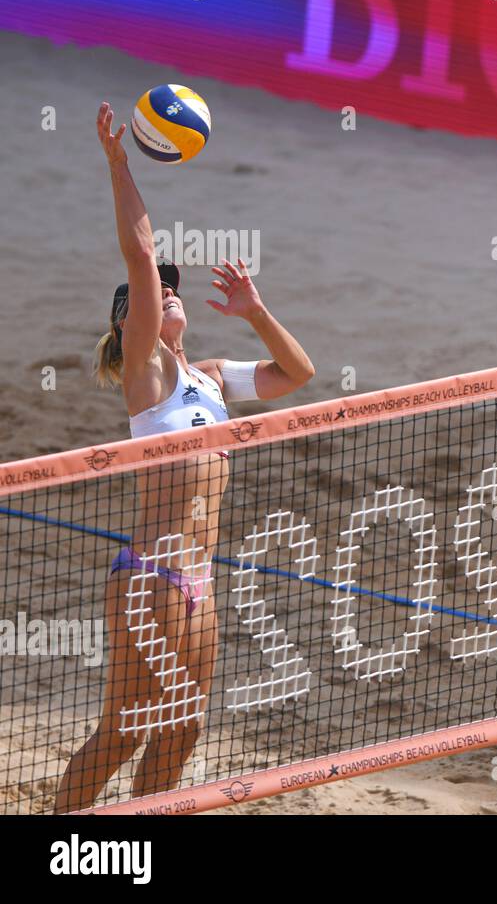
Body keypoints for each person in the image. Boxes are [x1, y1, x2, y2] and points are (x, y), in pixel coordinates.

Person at [54, 102, 316, 812]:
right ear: (129, 321)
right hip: (152, 577)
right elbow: (140, 255)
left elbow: (296, 375)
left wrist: (256, 311)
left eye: (175, 288)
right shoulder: (149, 372)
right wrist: (119, 166)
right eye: (153, 293)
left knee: (183, 728)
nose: (168, 289)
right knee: (124, 730)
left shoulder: (206, 374)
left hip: (200, 580)